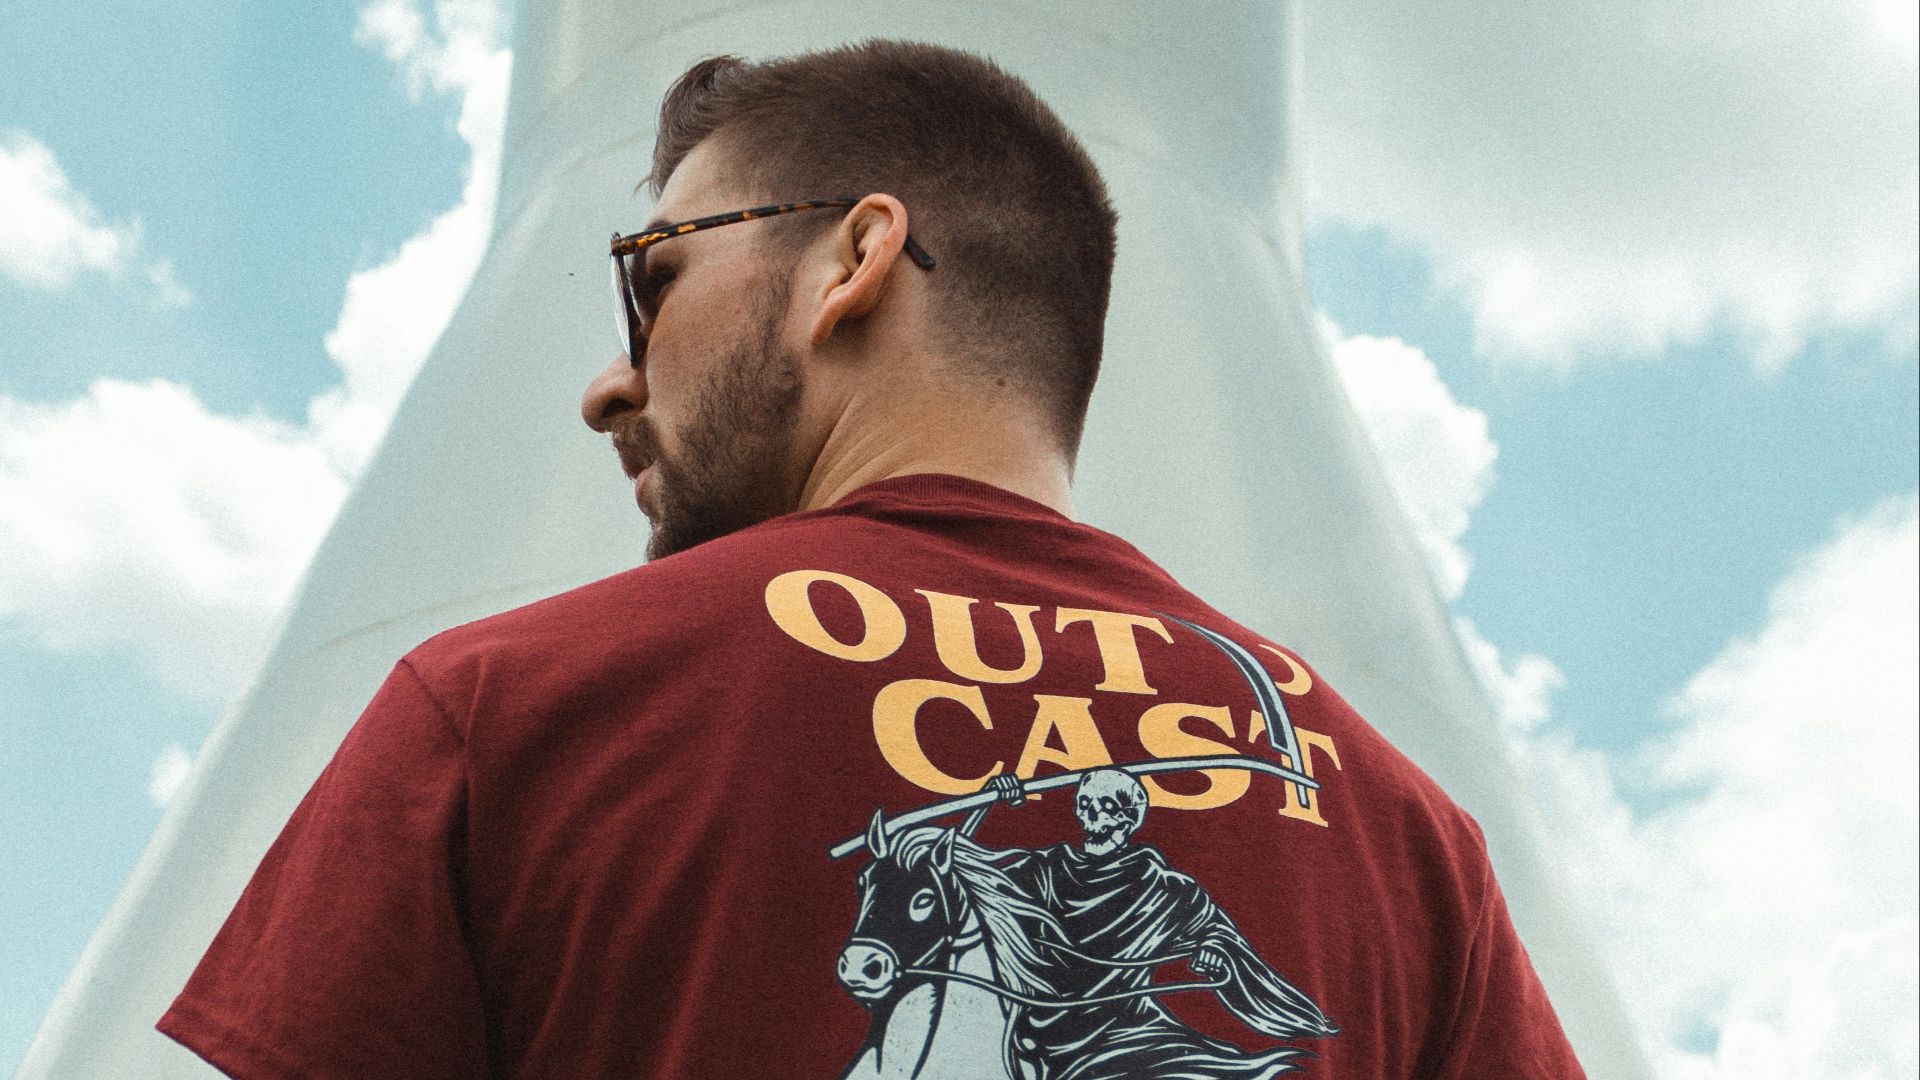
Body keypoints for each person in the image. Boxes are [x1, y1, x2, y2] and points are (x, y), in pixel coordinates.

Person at [158, 38, 1586, 1079]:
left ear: (851, 263)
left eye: (653, 280)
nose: (610, 383)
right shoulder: (1409, 844)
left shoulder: (507, 716)